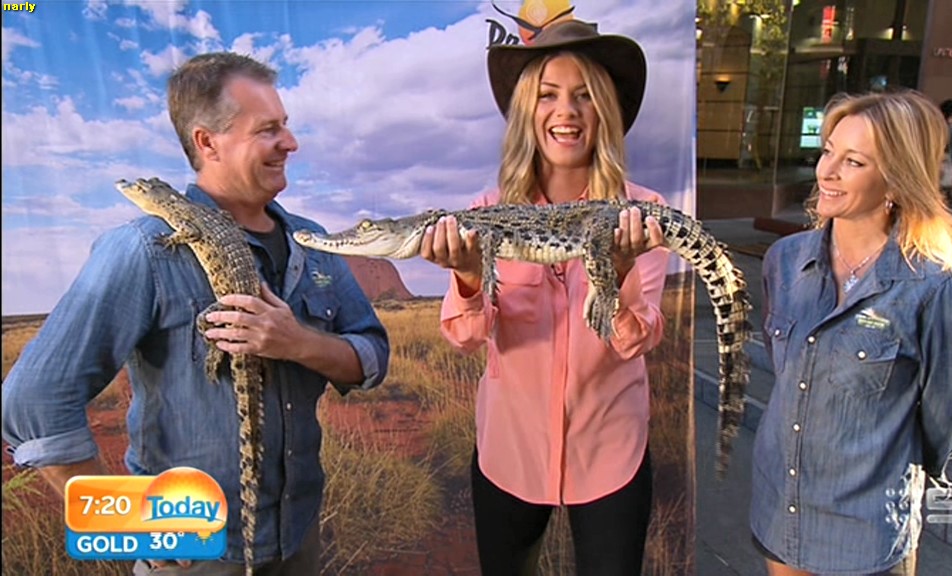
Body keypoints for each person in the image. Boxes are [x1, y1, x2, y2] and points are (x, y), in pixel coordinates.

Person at [1, 52, 390, 575]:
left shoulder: (312, 241)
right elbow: (31, 400)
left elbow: (372, 355)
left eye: (286, 125)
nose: (291, 142)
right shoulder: (144, 248)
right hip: (196, 555)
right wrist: (126, 522)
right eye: (268, 129)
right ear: (208, 142)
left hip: (298, 538)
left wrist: (299, 342)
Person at [420, 19, 669, 575]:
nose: (567, 112)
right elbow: (465, 337)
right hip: (510, 452)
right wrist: (469, 278)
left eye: (584, 96)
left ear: (605, 110)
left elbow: (636, 340)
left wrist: (616, 273)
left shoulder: (643, 213)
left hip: (610, 451)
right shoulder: (484, 213)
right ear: (527, 111)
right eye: (548, 95)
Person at [750, 91, 952, 576]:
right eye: (827, 151)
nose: (827, 172)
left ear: (897, 178)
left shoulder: (937, 286)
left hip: (865, 532)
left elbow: (950, 421)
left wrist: (880, 460)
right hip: (779, 509)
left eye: (853, 162)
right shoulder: (785, 261)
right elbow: (790, 373)